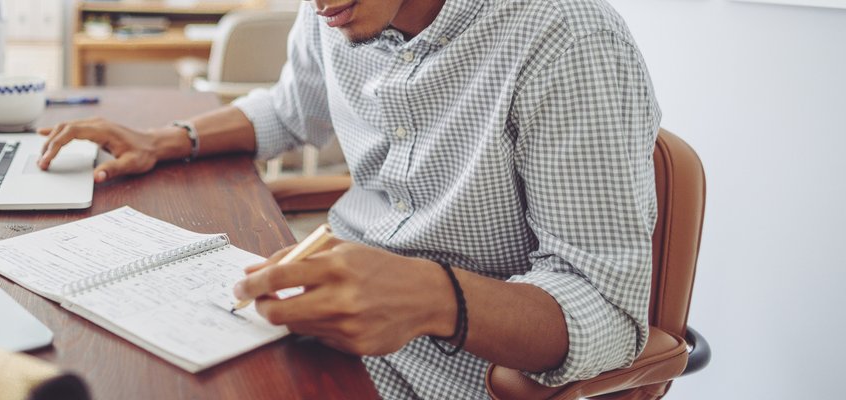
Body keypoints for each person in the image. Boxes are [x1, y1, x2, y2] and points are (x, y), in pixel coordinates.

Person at [37, 0, 659, 398]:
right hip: (321, 326)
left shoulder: (570, 41)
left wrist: (434, 297)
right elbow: (289, 110)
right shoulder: (332, 9)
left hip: (462, 371)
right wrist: (168, 140)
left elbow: (611, 315)